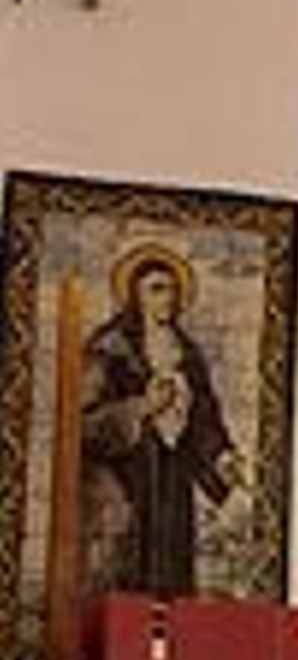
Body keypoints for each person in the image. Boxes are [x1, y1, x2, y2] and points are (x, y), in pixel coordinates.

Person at [79, 244, 244, 596]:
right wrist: (142, 407)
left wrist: (222, 456)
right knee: (130, 556)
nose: (167, 298)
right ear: (135, 295)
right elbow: (85, 421)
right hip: (127, 475)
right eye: (156, 289)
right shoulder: (111, 347)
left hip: (174, 471)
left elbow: (205, 416)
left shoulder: (188, 353)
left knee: (172, 557)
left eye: (172, 289)